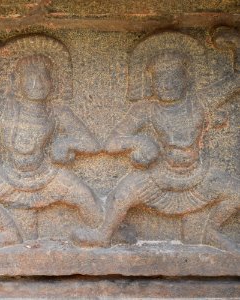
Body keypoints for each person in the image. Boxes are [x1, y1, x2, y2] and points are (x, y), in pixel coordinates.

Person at [73, 36, 240, 251]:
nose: (168, 85)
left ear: (186, 80)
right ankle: (104, 234)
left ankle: (210, 228)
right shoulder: (145, 110)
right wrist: (139, 142)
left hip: (198, 174)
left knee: (236, 193)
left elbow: (235, 82)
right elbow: (111, 143)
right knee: (123, 193)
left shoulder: (199, 102)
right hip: (160, 175)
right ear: (152, 84)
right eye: (161, 79)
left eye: (174, 78)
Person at [0, 35, 103, 250]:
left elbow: (91, 144)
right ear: (17, 81)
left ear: (53, 82)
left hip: (46, 175)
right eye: (30, 76)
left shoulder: (56, 112)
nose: (37, 83)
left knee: (84, 196)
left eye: (44, 77)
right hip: (9, 176)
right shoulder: (5, 107)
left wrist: (65, 144)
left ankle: (104, 231)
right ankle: (9, 233)